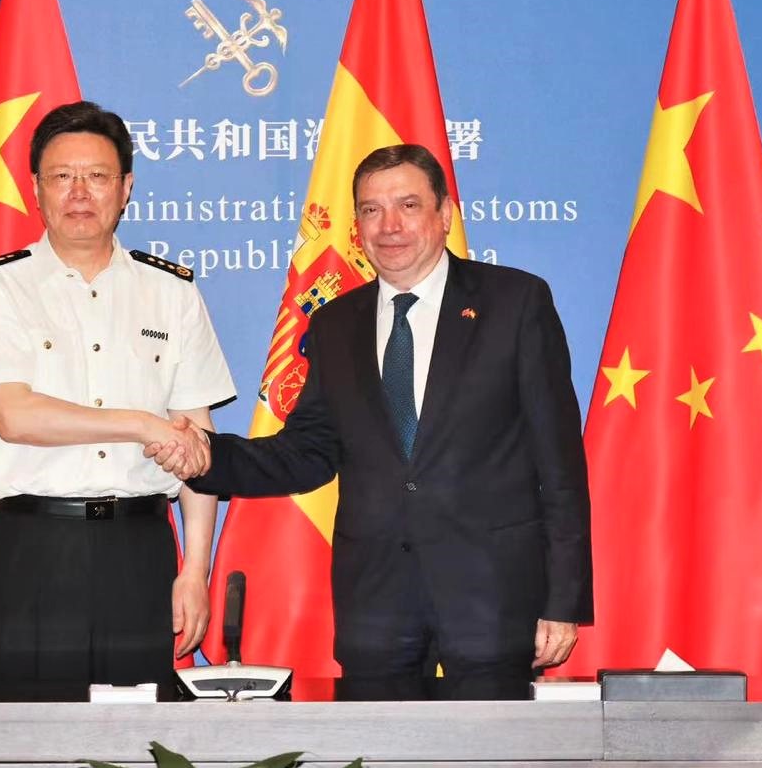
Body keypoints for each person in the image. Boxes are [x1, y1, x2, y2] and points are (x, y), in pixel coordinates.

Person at [154, 143, 591, 700]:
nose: (389, 226)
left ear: (444, 214)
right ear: (356, 225)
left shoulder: (515, 302)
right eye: (370, 210)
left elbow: (560, 465)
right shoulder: (336, 323)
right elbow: (307, 452)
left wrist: (562, 601)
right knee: (375, 745)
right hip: (377, 606)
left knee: (491, 746)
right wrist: (208, 456)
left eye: (408, 205)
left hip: (493, 597)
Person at [0, 100, 232, 701]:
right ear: (36, 188)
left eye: (97, 176)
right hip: (33, 546)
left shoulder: (171, 293)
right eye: (62, 176)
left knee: (138, 736)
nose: (79, 192)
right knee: (26, 734)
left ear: (126, 188)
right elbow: (15, 417)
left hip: (140, 548)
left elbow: (197, 443)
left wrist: (195, 570)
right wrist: (141, 424)